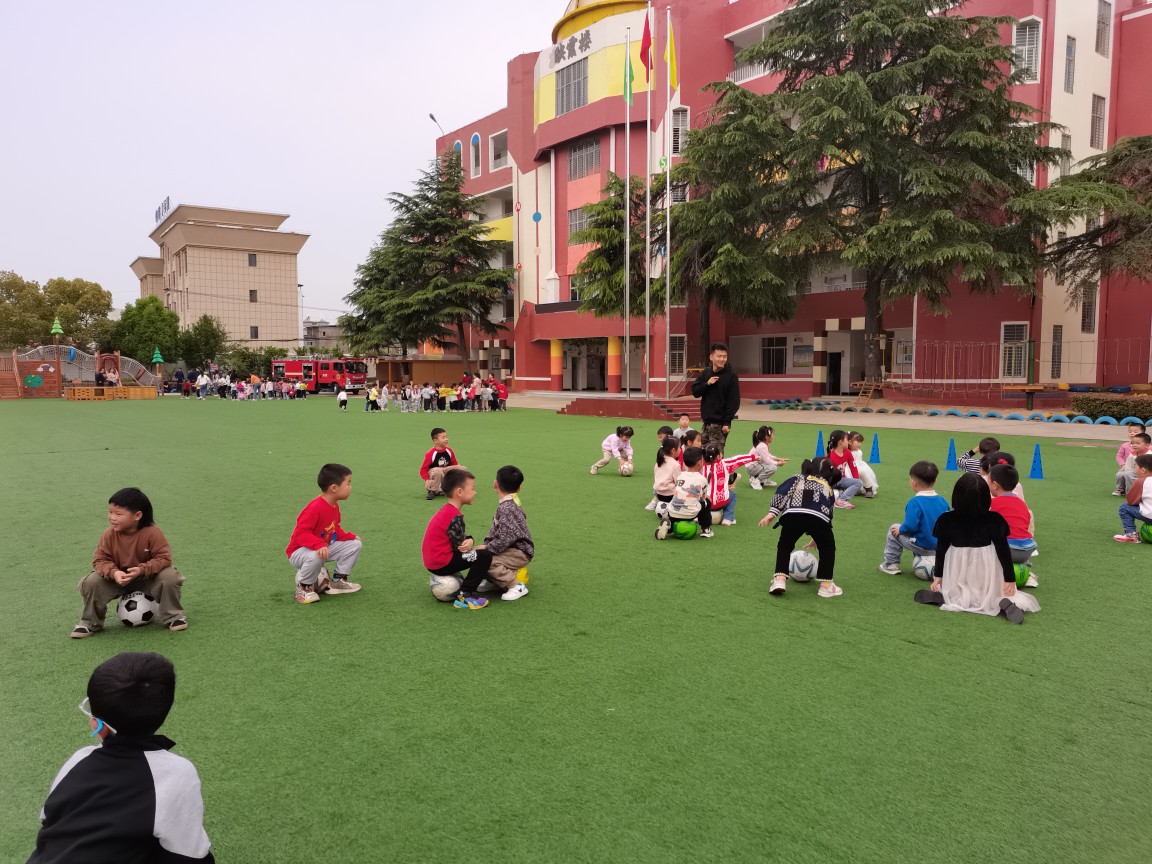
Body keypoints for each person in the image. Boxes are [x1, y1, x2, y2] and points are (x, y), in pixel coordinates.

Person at [28, 652, 214, 863]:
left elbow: (47, 818)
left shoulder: (79, 759)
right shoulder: (177, 772)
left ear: (98, 726)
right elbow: (190, 853)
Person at [913, 473, 1039, 623]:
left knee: (955, 591)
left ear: (956, 496)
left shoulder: (946, 520)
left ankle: (948, 596)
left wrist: (938, 576)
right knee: (993, 593)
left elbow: (941, 549)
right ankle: (998, 601)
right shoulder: (995, 519)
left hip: (957, 567)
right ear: (985, 497)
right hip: (986, 568)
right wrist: (1009, 579)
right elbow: (1003, 551)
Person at [72, 488, 188, 639]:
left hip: (147, 578)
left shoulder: (153, 533)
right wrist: (114, 573)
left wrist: (141, 570)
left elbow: (164, 558)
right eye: (110, 512)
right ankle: (90, 622)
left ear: (137, 515)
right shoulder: (108, 535)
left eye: (118, 514)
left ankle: (173, 617)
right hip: (118, 580)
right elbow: (100, 560)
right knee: (91, 581)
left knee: (170, 576)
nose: (112, 517)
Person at [758, 456, 843, 598]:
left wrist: (772, 513)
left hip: (793, 515)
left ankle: (779, 580)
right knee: (827, 549)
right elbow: (828, 513)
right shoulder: (828, 488)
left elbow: (782, 492)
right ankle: (826, 586)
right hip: (818, 518)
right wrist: (817, 538)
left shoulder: (797, 478)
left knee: (785, 546)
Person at [285, 463, 362, 604]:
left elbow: (333, 528)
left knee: (355, 544)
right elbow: (300, 533)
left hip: (321, 547)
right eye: (348, 483)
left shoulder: (334, 505)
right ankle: (303, 589)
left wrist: (348, 537)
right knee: (317, 555)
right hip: (299, 552)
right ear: (334, 488)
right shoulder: (315, 507)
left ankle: (338, 582)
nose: (350, 487)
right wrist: (318, 545)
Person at [421, 469, 491, 610]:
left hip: (432, 561)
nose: (475, 492)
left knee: (476, 553)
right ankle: (465, 595)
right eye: (472, 489)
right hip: (441, 563)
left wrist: (469, 540)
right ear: (459, 492)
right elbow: (461, 547)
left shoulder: (446, 510)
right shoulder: (455, 516)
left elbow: (457, 539)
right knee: (484, 555)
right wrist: (471, 543)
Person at [878, 461, 949, 576]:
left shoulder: (914, 503)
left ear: (913, 482)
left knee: (894, 529)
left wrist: (901, 529)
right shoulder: (943, 501)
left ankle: (890, 564)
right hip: (940, 546)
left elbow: (910, 526)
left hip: (923, 546)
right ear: (935, 481)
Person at [477, 465, 533, 601]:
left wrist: (488, 547)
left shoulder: (507, 508)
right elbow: (497, 530)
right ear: (518, 489)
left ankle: (516, 586)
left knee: (487, 561)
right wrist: (486, 544)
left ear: (495, 483)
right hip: (510, 548)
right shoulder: (508, 504)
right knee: (480, 555)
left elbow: (506, 537)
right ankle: (496, 582)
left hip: (519, 551)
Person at [656, 446, 713, 539]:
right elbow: (703, 497)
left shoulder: (680, 476)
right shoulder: (702, 479)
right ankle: (705, 529)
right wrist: (706, 497)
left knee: (676, 511)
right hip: (689, 514)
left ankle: (668, 527)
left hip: (673, 511)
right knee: (707, 503)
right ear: (700, 462)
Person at [690, 343, 740, 445]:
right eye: (719, 356)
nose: (722, 359)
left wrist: (727, 422)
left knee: (715, 453)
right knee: (702, 452)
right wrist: (707, 384)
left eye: (724, 356)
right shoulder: (706, 373)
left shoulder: (731, 376)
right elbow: (695, 392)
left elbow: (734, 402)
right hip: (706, 423)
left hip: (720, 425)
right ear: (711, 357)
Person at [703, 440, 756, 526]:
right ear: (718, 456)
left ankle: (697, 517)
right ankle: (728, 518)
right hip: (720, 502)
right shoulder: (725, 464)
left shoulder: (699, 466)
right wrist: (753, 457)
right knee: (732, 495)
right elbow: (738, 460)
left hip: (704, 503)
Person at [1115, 453, 1152, 542]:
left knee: (1124, 507)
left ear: (1143, 470)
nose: (1135, 470)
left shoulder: (1140, 482)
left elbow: (1131, 501)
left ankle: (1131, 535)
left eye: (1136, 467)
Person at [421, 427, 465, 499]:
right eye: (443, 437)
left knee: (462, 469)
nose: (446, 439)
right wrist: (426, 480)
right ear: (435, 441)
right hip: (434, 472)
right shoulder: (431, 453)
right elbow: (423, 469)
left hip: (445, 470)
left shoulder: (449, 450)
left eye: (446, 437)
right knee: (438, 470)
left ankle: (453, 488)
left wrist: (459, 468)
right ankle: (432, 490)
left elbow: (454, 464)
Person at [827, 429, 863, 509]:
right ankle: (841, 500)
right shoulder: (831, 456)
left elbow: (853, 467)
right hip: (832, 482)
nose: (848, 442)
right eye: (847, 439)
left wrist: (855, 481)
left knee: (858, 482)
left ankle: (839, 496)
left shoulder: (847, 452)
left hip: (841, 480)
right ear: (840, 442)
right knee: (857, 483)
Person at [746, 425, 788, 490]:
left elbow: (768, 456)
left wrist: (778, 459)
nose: (773, 437)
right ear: (766, 437)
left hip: (754, 466)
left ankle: (765, 480)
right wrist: (777, 463)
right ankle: (756, 481)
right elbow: (767, 460)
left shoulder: (762, 444)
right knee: (773, 467)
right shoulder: (762, 446)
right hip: (752, 468)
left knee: (769, 464)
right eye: (772, 435)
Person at [644, 427, 676, 510]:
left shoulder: (675, 447)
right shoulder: (662, 449)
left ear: (668, 436)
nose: (659, 439)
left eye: (661, 437)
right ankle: (655, 499)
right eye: (658, 437)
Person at [650, 437, 682, 517]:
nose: (680, 449)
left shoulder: (658, 461)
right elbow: (679, 482)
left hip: (658, 494)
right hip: (670, 495)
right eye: (679, 447)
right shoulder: (675, 465)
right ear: (673, 450)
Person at [1114, 422, 1145, 494]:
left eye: (1135, 432)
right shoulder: (1124, 445)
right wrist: (1123, 464)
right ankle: (1120, 489)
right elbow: (1119, 456)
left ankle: (1132, 491)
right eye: (1130, 432)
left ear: (1142, 434)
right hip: (1127, 467)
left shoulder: (1145, 446)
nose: (1132, 433)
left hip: (1140, 468)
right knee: (1119, 474)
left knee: (1128, 474)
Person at [848, 431, 879, 497]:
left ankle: (868, 488)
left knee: (861, 472)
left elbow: (857, 462)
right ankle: (855, 489)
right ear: (849, 442)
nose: (860, 444)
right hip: (847, 468)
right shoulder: (845, 451)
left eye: (860, 442)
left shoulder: (858, 452)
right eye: (858, 442)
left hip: (857, 466)